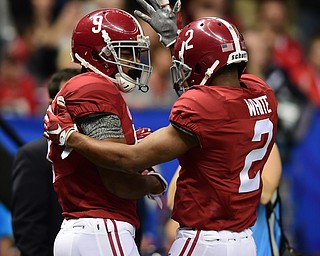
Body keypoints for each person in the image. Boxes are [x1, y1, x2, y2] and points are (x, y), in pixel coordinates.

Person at [44, 15, 278, 255]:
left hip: (204, 240)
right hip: (244, 240)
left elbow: (130, 159)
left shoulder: (204, 107)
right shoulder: (262, 93)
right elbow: (216, 96)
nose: (134, 61)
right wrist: (179, 41)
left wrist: (70, 137)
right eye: (126, 53)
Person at [43, 8, 168, 256]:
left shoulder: (86, 87)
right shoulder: (94, 87)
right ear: (97, 52)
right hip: (101, 228)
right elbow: (118, 181)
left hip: (87, 228)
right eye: (124, 51)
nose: (133, 61)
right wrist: (152, 182)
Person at [11, 68, 80, 256]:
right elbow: (28, 231)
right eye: (69, 100)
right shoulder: (33, 157)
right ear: (52, 105)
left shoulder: (107, 150)